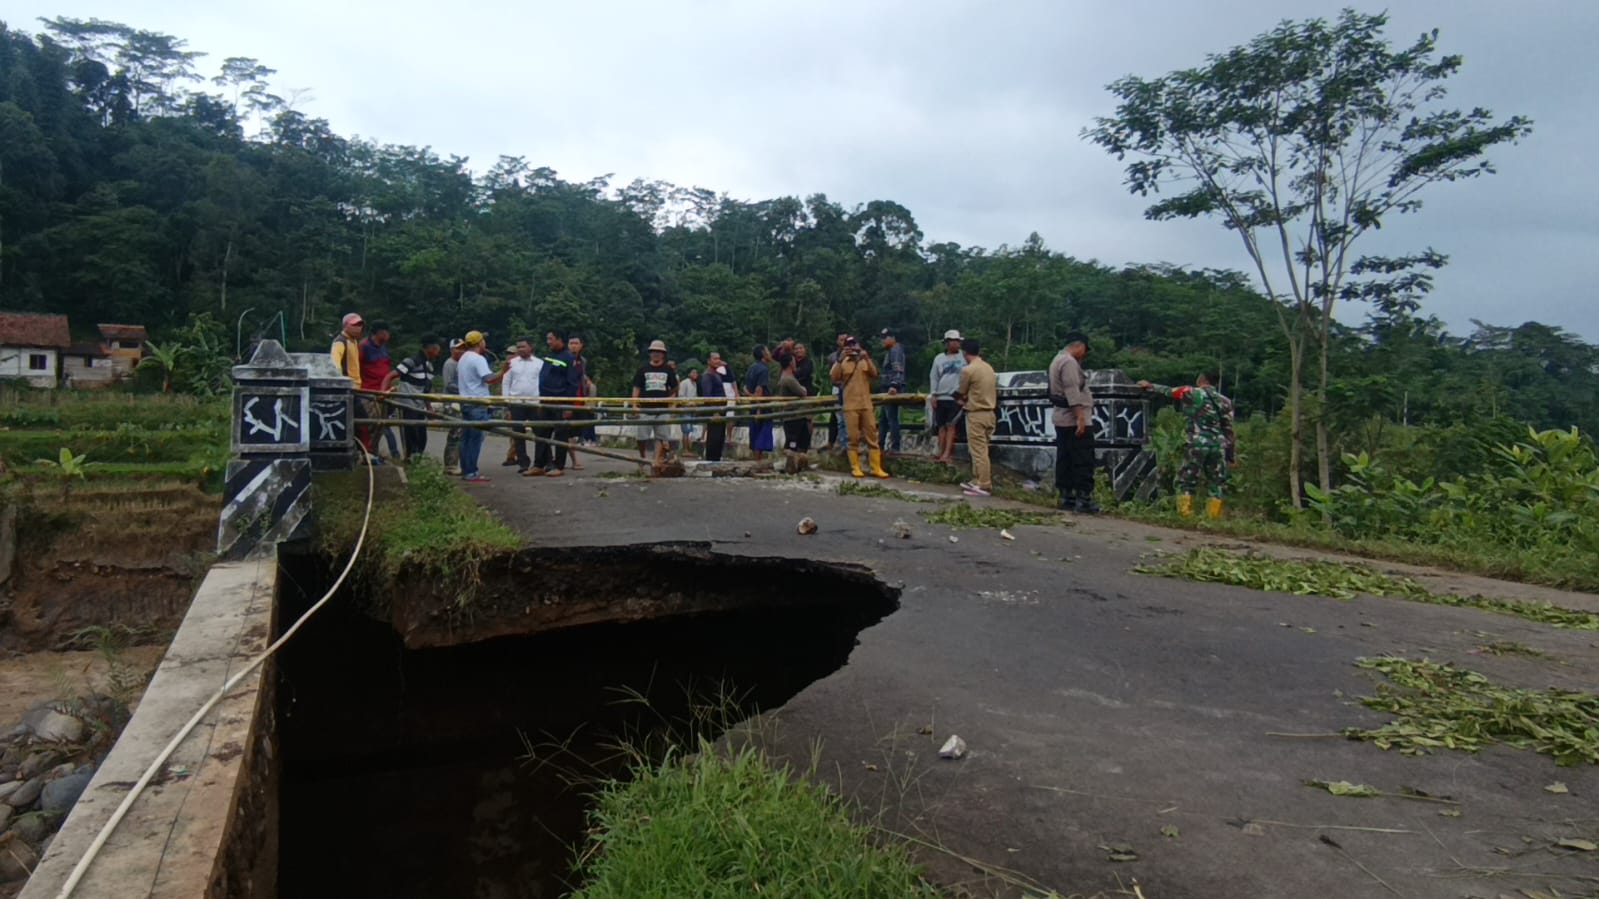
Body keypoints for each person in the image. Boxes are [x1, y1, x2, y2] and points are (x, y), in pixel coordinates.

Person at [1138, 371, 1235, 518]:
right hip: (1217, 445)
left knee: (1186, 480)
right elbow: (1229, 431)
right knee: (1216, 483)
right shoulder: (1225, 401)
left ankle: (1185, 515)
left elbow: (1168, 391)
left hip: (1197, 442)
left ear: (1201, 379)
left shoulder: (1191, 392)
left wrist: (1150, 385)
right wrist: (1231, 456)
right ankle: (1212, 517)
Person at [1048, 333, 1097, 513]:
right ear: (1080, 346)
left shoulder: (1056, 359)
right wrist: (1080, 418)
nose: (1084, 355)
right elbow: (1072, 391)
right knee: (1083, 459)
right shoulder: (1069, 362)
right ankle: (1083, 499)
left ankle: (1066, 496)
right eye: (1084, 350)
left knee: (1065, 458)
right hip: (1073, 418)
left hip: (1061, 418)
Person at [831, 336, 890, 479]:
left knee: (872, 436)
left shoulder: (864, 360)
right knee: (853, 437)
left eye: (854, 344)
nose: (852, 347)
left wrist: (867, 358)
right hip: (850, 405)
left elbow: (875, 374)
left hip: (866, 404)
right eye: (848, 345)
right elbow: (833, 377)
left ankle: (876, 467)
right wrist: (840, 359)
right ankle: (855, 467)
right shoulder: (842, 362)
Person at [381, 335, 442, 461]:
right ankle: (409, 460)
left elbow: (426, 390)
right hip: (407, 404)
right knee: (410, 435)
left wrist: (429, 407)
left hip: (420, 406)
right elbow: (390, 376)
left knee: (421, 437)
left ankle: (417, 460)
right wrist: (383, 393)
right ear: (431, 348)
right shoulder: (411, 362)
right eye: (437, 348)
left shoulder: (429, 367)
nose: (438, 351)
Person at [532, 330, 580, 476]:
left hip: (560, 401)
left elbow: (573, 384)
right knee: (541, 433)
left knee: (560, 435)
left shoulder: (569, 358)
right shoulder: (549, 356)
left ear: (559, 340)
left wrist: (568, 405)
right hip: (546, 401)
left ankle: (559, 467)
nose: (548, 342)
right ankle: (539, 465)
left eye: (550, 339)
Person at [956, 338, 998, 496]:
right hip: (990, 413)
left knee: (978, 451)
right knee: (982, 449)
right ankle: (977, 479)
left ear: (965, 353)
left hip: (976, 413)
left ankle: (984, 484)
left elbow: (961, 392)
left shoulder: (968, 370)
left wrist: (961, 399)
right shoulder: (988, 367)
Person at [632, 339, 680, 471]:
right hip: (645, 407)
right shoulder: (643, 369)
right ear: (650, 353)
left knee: (661, 436)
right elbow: (636, 388)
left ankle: (656, 461)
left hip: (662, 407)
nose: (656, 354)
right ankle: (642, 457)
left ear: (663, 354)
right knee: (641, 437)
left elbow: (675, 387)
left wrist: (666, 395)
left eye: (659, 352)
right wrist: (634, 404)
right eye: (654, 352)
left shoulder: (668, 370)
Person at [455, 330, 494, 483]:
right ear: (479, 343)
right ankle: (471, 471)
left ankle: (466, 469)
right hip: (478, 402)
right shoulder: (478, 359)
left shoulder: (463, 357)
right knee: (475, 439)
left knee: (466, 438)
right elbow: (488, 379)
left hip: (465, 400)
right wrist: (503, 372)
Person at [500, 338, 544, 474]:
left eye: (523, 347)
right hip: (516, 402)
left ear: (531, 347)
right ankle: (523, 462)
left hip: (534, 402)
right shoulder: (511, 364)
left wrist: (542, 401)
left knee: (540, 432)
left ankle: (541, 461)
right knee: (518, 434)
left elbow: (542, 383)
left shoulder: (539, 363)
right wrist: (507, 401)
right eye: (518, 347)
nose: (520, 349)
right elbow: (506, 383)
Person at [359, 321, 401, 460]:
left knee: (381, 425)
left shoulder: (383, 347)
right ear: (379, 333)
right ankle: (366, 453)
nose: (388, 335)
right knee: (369, 424)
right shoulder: (364, 347)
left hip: (384, 391)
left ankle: (374, 453)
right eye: (386, 332)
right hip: (368, 391)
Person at [929, 330, 966, 464]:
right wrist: (933, 394)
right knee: (941, 426)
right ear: (947, 343)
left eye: (957, 341)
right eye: (952, 341)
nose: (955, 343)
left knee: (951, 425)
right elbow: (934, 377)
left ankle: (947, 453)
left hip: (955, 397)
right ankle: (940, 450)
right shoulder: (939, 359)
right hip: (941, 396)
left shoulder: (963, 357)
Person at [775, 350, 811, 463]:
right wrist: (803, 389)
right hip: (793, 416)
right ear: (791, 363)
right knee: (793, 442)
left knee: (802, 441)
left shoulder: (786, 377)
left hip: (797, 415)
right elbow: (803, 392)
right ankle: (790, 463)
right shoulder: (788, 379)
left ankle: (798, 463)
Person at [877, 329, 907, 453]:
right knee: (883, 419)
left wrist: (894, 385)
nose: (883, 341)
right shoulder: (890, 351)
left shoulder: (895, 350)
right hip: (886, 387)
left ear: (892, 338)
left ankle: (895, 446)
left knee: (891, 418)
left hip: (892, 388)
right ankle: (880, 445)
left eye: (885, 338)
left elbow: (898, 369)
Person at [744, 345, 775, 460]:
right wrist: (759, 408)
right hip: (761, 406)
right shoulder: (763, 369)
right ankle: (758, 462)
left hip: (753, 404)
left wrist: (750, 397)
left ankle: (756, 460)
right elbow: (759, 389)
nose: (770, 353)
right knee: (761, 436)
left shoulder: (751, 368)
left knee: (755, 433)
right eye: (768, 351)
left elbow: (745, 388)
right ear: (763, 354)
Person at [568, 335, 594, 468]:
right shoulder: (564, 359)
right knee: (566, 432)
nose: (573, 346)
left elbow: (580, 375)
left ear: (581, 346)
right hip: (567, 400)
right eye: (571, 343)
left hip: (580, 400)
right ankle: (574, 461)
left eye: (576, 343)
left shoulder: (582, 361)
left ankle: (573, 460)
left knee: (574, 433)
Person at [440, 339, 466, 475]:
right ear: (451, 350)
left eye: (462, 348)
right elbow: (448, 384)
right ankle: (450, 464)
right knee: (455, 432)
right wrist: (465, 389)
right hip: (451, 401)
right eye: (457, 348)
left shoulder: (462, 363)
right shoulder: (450, 364)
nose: (460, 351)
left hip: (461, 401)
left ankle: (458, 462)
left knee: (461, 433)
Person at [700, 352, 728, 462]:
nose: (718, 361)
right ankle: (711, 460)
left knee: (720, 437)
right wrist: (714, 411)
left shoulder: (717, 374)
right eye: (715, 359)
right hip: (714, 411)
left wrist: (726, 366)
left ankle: (717, 459)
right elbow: (707, 395)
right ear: (709, 361)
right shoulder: (707, 376)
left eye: (719, 358)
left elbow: (730, 377)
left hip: (721, 410)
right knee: (714, 437)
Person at [826, 333, 850, 449]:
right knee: (837, 418)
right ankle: (838, 443)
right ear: (837, 341)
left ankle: (845, 443)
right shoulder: (832, 357)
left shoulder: (853, 355)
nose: (844, 342)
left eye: (846, 340)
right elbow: (831, 375)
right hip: (837, 389)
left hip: (851, 389)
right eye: (841, 340)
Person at [330, 313, 363, 387]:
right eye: (354, 325)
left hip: (356, 387)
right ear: (345, 326)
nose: (358, 328)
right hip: (348, 387)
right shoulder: (340, 342)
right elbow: (335, 365)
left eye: (360, 325)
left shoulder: (354, 341)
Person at [678, 367, 700, 456]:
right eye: (693, 373)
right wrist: (689, 404)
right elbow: (681, 396)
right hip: (685, 409)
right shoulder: (684, 383)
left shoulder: (695, 384)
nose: (695, 375)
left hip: (692, 409)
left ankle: (688, 449)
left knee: (690, 430)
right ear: (689, 374)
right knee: (685, 431)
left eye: (696, 373)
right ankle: (685, 450)